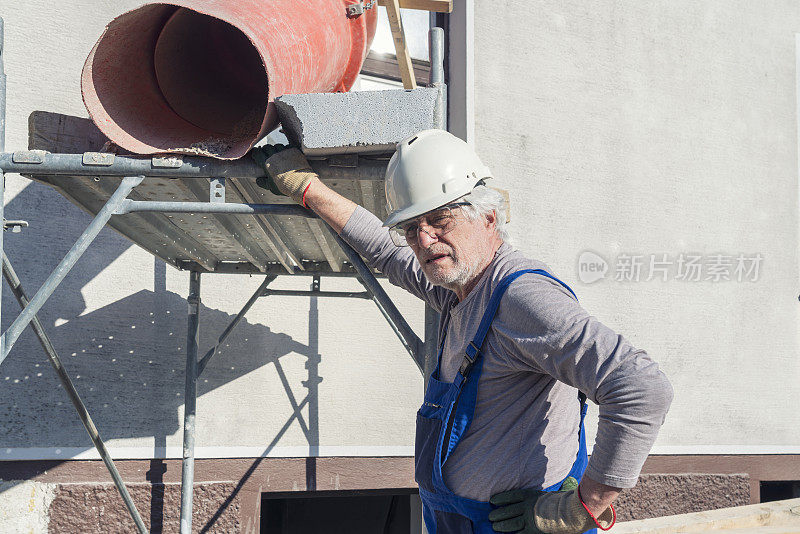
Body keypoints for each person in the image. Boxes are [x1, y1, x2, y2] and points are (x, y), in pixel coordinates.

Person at [254, 129, 673, 534]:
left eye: (440, 220)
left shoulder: (521, 298)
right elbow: (383, 248)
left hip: (511, 526)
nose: (424, 239)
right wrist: (307, 187)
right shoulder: (457, 288)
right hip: (454, 519)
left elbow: (640, 388)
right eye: (411, 228)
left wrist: (582, 506)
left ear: (488, 217)